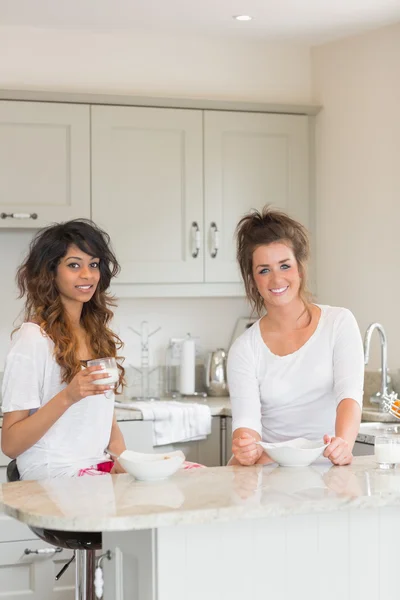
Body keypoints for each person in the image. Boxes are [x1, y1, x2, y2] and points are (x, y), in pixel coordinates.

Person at [228, 206, 364, 467]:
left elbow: (349, 395)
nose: (276, 278)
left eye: (285, 265)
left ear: (300, 269)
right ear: (252, 279)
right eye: (264, 270)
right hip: (267, 470)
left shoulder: (338, 323)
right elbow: (247, 424)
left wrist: (343, 444)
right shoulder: (245, 348)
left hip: (328, 467)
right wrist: (245, 447)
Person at [1, 219, 127, 479]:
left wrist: (124, 461)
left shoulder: (96, 334)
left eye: (93, 264)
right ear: (50, 272)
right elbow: (10, 445)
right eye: (74, 265)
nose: (87, 275)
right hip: (51, 474)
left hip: (96, 468)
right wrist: (68, 396)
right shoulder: (34, 339)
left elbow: (105, 417)